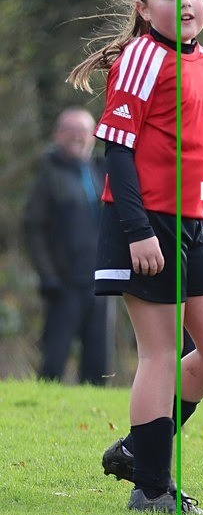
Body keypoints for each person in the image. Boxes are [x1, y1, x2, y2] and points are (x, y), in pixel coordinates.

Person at [67, 0, 203, 515]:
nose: (187, 3)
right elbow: (117, 151)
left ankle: (138, 448)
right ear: (143, 8)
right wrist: (138, 232)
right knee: (159, 352)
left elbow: (189, 140)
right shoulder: (140, 59)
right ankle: (151, 487)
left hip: (192, 222)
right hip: (142, 221)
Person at [23, 107, 110, 385]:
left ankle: (95, 416)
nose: (77, 137)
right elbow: (33, 229)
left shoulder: (100, 171)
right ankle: (40, 412)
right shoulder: (48, 177)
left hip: (100, 281)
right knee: (55, 358)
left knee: (98, 360)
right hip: (64, 282)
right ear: (57, 134)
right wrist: (48, 275)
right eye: (70, 130)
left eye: (83, 131)